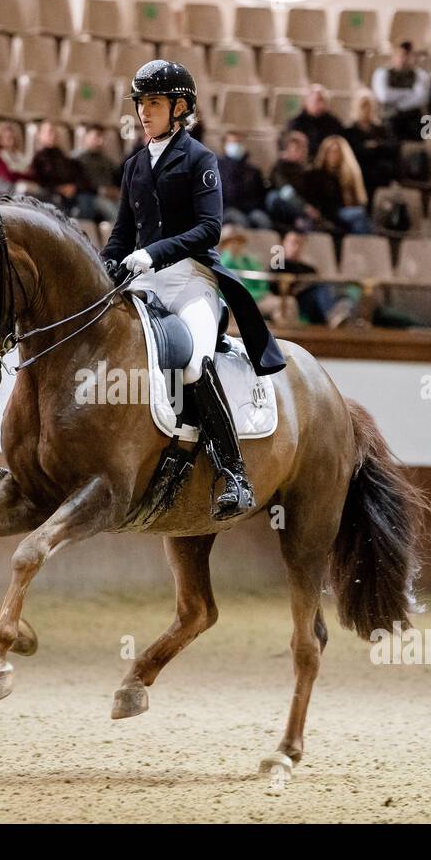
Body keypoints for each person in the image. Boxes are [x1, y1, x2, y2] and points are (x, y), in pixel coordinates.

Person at [101, 59, 286, 520]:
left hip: (191, 283)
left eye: (155, 102)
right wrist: (107, 262)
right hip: (144, 281)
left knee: (195, 361)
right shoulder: (134, 167)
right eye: (141, 103)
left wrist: (154, 253)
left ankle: (234, 473)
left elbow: (209, 229)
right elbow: (123, 235)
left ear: (180, 107)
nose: (145, 111)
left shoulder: (200, 160)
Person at [297, 134, 371, 240]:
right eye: (330, 151)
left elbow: (359, 199)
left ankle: (360, 246)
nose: (333, 155)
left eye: (336, 152)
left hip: (343, 211)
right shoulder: (315, 174)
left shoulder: (350, 175)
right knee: (359, 214)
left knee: (360, 215)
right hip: (327, 212)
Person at [371, 40, 431, 140]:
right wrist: (409, 93)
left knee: (428, 121)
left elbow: (421, 98)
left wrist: (398, 103)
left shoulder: (421, 75)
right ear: (394, 56)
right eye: (401, 55)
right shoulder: (381, 73)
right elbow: (384, 96)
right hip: (389, 117)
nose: (404, 59)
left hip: (413, 118)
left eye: (408, 56)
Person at [344, 90, 398, 196]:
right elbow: (352, 151)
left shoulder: (381, 129)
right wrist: (373, 148)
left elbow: (392, 147)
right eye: (363, 105)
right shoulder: (349, 130)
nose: (366, 109)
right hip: (359, 169)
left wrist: (375, 146)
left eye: (369, 105)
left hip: (379, 171)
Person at [216, 131, 272, 229]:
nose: (236, 145)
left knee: (263, 220)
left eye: (239, 142)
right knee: (241, 221)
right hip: (227, 209)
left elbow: (259, 195)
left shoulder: (253, 171)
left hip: (250, 209)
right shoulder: (217, 168)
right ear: (224, 145)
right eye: (233, 142)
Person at [264, 129, 318, 231]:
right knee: (274, 197)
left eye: (303, 149)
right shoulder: (279, 168)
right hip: (286, 207)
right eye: (296, 149)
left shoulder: (308, 171)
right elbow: (286, 191)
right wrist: (304, 208)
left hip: (304, 208)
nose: (301, 152)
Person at [285, 84, 349, 158]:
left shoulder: (333, 123)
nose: (321, 104)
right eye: (318, 100)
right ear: (306, 102)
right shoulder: (296, 123)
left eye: (323, 100)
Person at [71, 125, 120, 222]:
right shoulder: (77, 159)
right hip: (90, 197)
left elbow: (117, 178)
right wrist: (102, 191)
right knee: (116, 214)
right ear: (86, 138)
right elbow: (79, 184)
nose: (100, 141)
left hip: (110, 197)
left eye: (102, 138)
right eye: (96, 137)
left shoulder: (106, 160)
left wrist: (117, 191)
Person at [0, 123, 32, 195]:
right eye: (7, 137)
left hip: (18, 185)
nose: (11, 140)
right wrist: (23, 175)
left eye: (12, 137)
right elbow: (8, 176)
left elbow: (30, 173)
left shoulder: (19, 156)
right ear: (0, 140)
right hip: (4, 190)